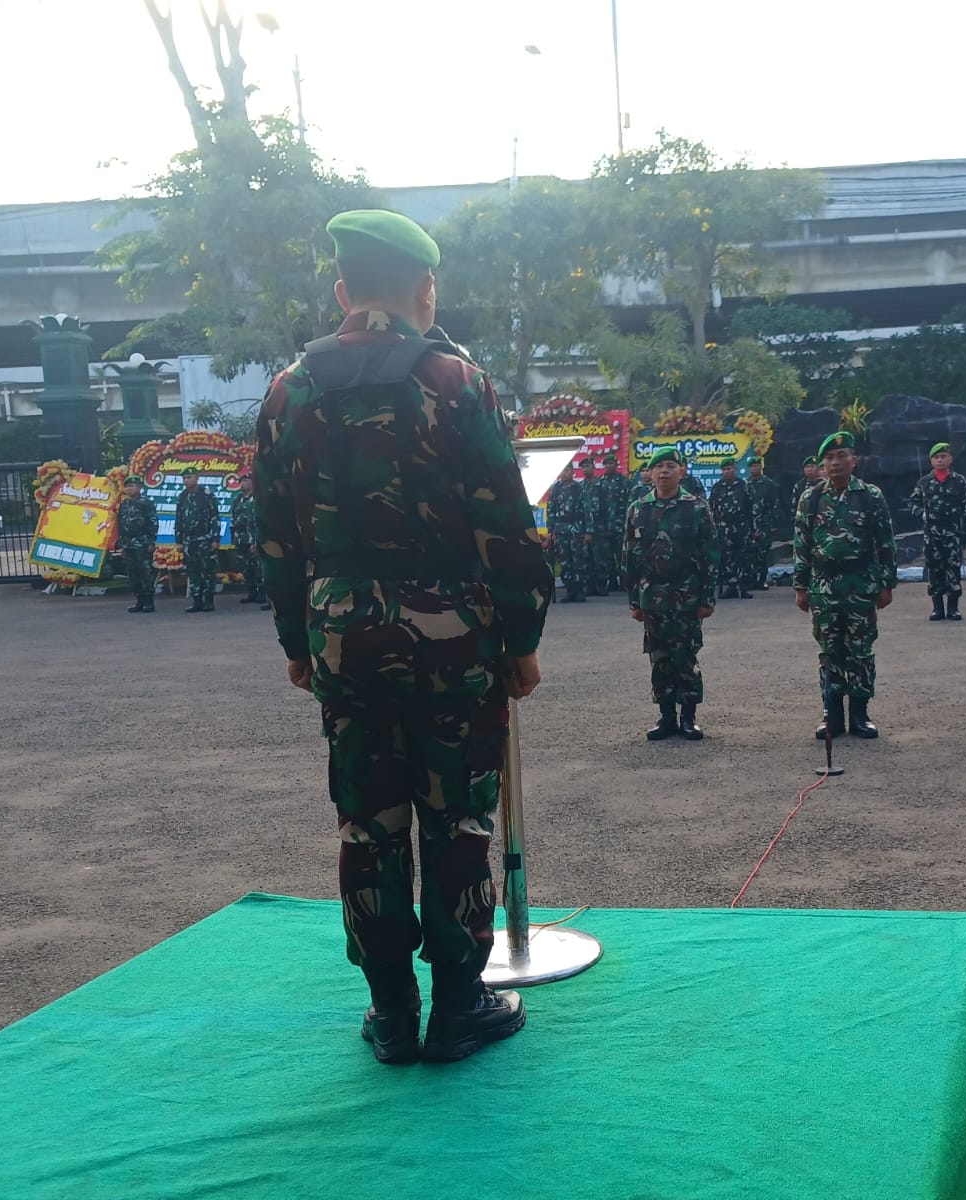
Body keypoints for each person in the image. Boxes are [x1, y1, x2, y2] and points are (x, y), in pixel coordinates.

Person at [254, 208, 552, 1064]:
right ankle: (460, 1007)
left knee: (368, 823)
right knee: (457, 821)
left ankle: (390, 1012)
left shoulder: (288, 392)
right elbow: (507, 526)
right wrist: (522, 637)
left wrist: (297, 642)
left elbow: (272, 535)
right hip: (452, 639)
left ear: (342, 290)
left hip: (342, 637)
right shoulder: (457, 382)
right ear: (426, 289)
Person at [792, 431, 896, 740]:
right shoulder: (811, 498)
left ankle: (861, 715)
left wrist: (886, 583)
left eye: (841, 456)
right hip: (824, 588)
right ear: (823, 465)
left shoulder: (870, 496)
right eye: (829, 458)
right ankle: (832, 715)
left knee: (860, 651)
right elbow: (802, 544)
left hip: (860, 586)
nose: (835, 462)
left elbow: (885, 542)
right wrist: (800, 587)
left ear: (854, 460)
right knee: (830, 651)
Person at [626, 447, 720, 741]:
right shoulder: (638, 509)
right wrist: (634, 600)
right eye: (658, 467)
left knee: (686, 655)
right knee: (659, 658)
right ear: (651, 473)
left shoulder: (696, 508)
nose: (664, 471)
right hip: (652, 596)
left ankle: (689, 717)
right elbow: (630, 557)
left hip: (686, 595)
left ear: (682, 471)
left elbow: (710, 555)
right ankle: (666, 717)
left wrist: (707, 598)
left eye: (670, 466)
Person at [909, 442, 966, 619]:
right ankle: (937, 608)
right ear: (931, 461)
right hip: (932, 534)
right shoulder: (924, 482)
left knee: (953, 567)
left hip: (953, 532)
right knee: (934, 569)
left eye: (943, 456)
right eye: (936, 457)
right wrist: (921, 513)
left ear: (950, 459)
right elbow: (913, 503)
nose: (940, 460)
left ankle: (953, 608)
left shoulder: (959, 481)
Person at [709, 459, 758, 600]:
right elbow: (711, 508)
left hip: (741, 527)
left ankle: (743, 588)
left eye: (729, 469)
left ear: (734, 469)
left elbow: (751, 508)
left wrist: (753, 529)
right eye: (724, 469)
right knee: (727, 558)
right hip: (724, 529)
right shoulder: (717, 487)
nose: (727, 472)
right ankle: (731, 587)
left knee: (743, 557)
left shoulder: (744, 485)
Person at [174, 466, 220, 613]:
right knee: (192, 571)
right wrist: (178, 540)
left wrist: (215, 539)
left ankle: (209, 601)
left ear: (197, 478)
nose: (186, 480)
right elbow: (179, 519)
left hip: (205, 539)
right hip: (189, 540)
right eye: (184, 478)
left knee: (207, 570)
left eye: (189, 477)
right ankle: (197, 601)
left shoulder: (206, 495)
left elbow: (215, 518)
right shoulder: (182, 496)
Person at [117, 473, 160, 613]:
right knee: (133, 574)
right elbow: (120, 524)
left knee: (145, 573)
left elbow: (153, 523)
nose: (129, 489)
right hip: (128, 544)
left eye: (132, 486)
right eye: (127, 486)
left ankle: (149, 602)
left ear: (139, 487)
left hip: (143, 543)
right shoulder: (124, 504)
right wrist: (122, 544)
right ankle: (139, 600)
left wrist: (151, 542)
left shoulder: (146, 503)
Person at [545, 462, 587, 601]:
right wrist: (550, 531)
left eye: (567, 470)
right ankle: (569, 589)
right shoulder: (556, 489)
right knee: (564, 560)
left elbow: (587, 510)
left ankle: (579, 589)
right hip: (561, 528)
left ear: (573, 472)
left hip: (576, 527)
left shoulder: (579, 488)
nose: (564, 473)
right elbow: (551, 511)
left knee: (578, 558)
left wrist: (588, 531)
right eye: (562, 470)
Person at [230, 472, 270, 610]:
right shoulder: (237, 500)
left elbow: (260, 521)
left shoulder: (258, 498)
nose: (243, 484)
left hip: (253, 538)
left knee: (257, 566)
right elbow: (233, 519)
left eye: (246, 481)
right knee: (245, 567)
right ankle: (251, 592)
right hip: (240, 539)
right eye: (241, 481)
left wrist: (256, 540)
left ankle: (261, 592)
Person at [746, 456, 781, 590]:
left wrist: (773, 524)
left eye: (756, 466)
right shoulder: (745, 484)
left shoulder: (769, 484)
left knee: (763, 552)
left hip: (764, 523)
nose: (754, 469)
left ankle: (762, 579)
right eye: (752, 466)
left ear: (761, 467)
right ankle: (751, 579)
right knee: (750, 553)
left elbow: (775, 504)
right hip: (749, 524)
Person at [577, 456, 609, 596]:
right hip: (584, 528)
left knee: (600, 557)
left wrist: (609, 527)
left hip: (600, 527)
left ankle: (601, 585)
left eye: (587, 466)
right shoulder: (580, 487)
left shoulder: (602, 485)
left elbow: (608, 507)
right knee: (586, 557)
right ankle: (589, 586)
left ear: (593, 467)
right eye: (583, 467)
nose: (585, 469)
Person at [601, 452, 628, 590]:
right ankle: (612, 581)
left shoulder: (624, 482)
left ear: (616, 465)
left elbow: (629, 504)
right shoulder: (600, 482)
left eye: (611, 463)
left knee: (622, 555)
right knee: (607, 556)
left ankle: (624, 582)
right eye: (606, 464)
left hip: (620, 525)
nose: (608, 466)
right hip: (604, 526)